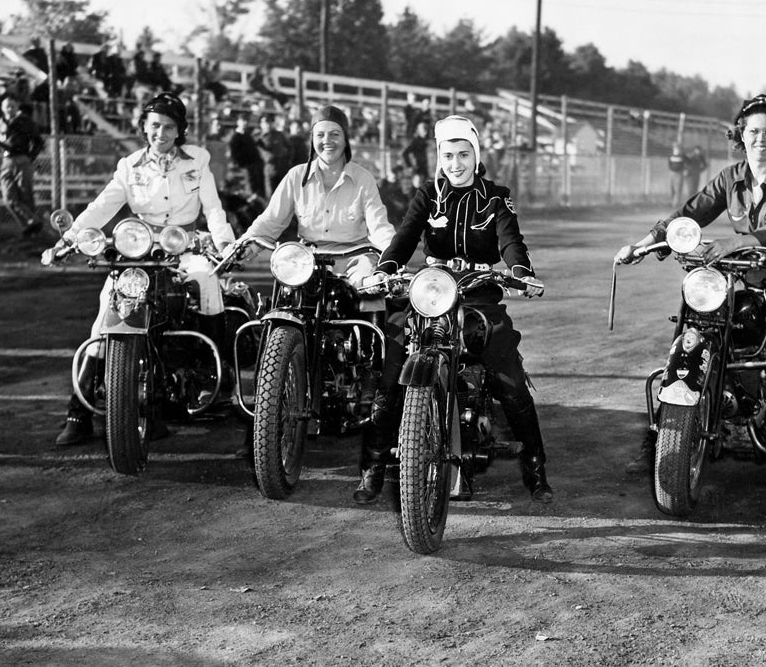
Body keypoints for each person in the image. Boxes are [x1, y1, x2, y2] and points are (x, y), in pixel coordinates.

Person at [614, 94, 766, 473]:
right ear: (741, 134)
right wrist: (642, 244)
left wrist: (730, 243)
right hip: (739, 271)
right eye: (753, 131)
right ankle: (661, 437)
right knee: (697, 322)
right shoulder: (730, 177)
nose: (760, 139)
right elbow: (690, 213)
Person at [361, 115, 551, 505]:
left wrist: (521, 273)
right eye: (448, 155)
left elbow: (511, 240)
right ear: (439, 157)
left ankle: (535, 466)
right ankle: (374, 465)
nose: (455, 163)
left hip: (479, 295)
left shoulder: (496, 196)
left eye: (463, 154)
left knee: (510, 380)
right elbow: (404, 236)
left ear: (476, 154)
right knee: (391, 371)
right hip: (431, 293)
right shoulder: (428, 194)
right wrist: (386, 268)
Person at [47, 93, 236, 446]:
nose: (160, 133)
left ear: (180, 130)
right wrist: (69, 240)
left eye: (168, 126)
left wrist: (224, 245)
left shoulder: (197, 161)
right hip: (139, 248)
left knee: (207, 282)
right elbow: (101, 207)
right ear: (144, 129)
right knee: (107, 306)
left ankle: (216, 376)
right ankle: (79, 410)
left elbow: (213, 209)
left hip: (185, 246)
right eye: (154, 126)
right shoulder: (129, 166)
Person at [231, 105, 396, 457]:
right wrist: (243, 244)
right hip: (307, 259)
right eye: (320, 134)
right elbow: (269, 223)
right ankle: (261, 425)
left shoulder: (362, 178)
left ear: (346, 138)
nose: (327, 141)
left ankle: (372, 384)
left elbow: (379, 226)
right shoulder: (295, 177)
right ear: (311, 138)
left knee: (370, 287)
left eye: (334, 134)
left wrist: (392, 255)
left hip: (353, 257)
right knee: (278, 311)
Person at [0, 96, 45, 238]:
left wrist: (30, 157)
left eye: (12, 106)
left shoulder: (26, 122)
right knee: (9, 198)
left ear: (17, 107)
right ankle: (32, 222)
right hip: (6, 160)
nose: (10, 109)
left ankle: (32, 233)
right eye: (7, 106)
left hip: (22, 159)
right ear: (2, 108)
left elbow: (38, 141)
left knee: (25, 194)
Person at [228, 115, 266, 199]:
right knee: (250, 187)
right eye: (242, 121)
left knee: (257, 186)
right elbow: (235, 154)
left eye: (246, 121)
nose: (244, 123)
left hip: (254, 165)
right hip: (245, 166)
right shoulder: (236, 137)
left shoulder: (248, 135)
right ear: (238, 122)